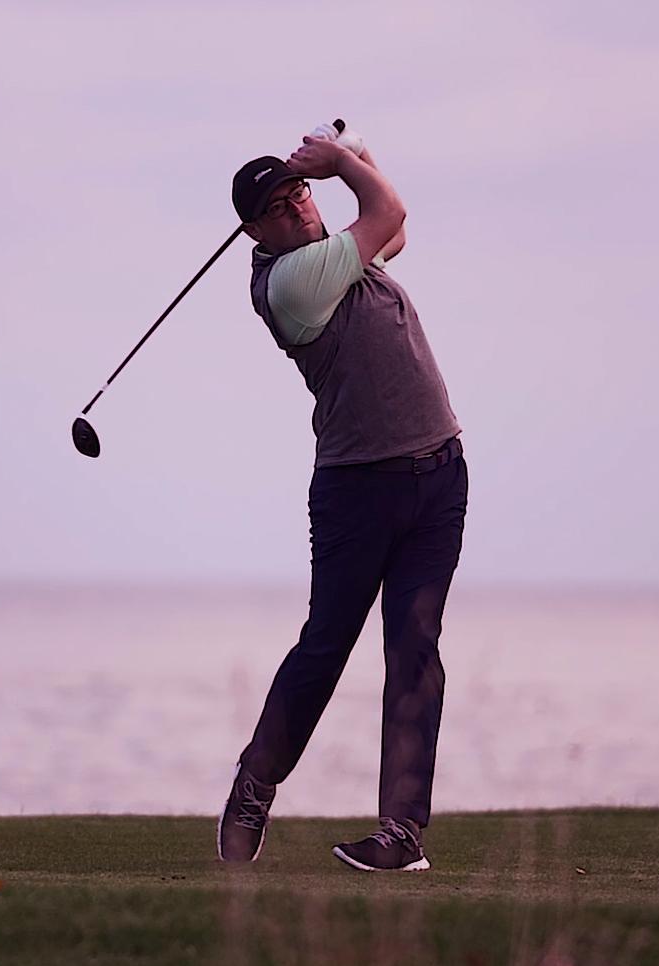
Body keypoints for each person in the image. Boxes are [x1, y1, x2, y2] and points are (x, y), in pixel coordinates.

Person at [218, 128, 467, 871]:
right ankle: (257, 779)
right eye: (276, 204)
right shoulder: (291, 280)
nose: (294, 206)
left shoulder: (338, 248)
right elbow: (388, 212)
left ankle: (402, 833)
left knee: (415, 651)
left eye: (298, 190)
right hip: (359, 488)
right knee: (327, 647)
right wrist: (345, 163)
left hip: (440, 474)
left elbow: (393, 225)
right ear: (255, 232)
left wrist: (353, 152)